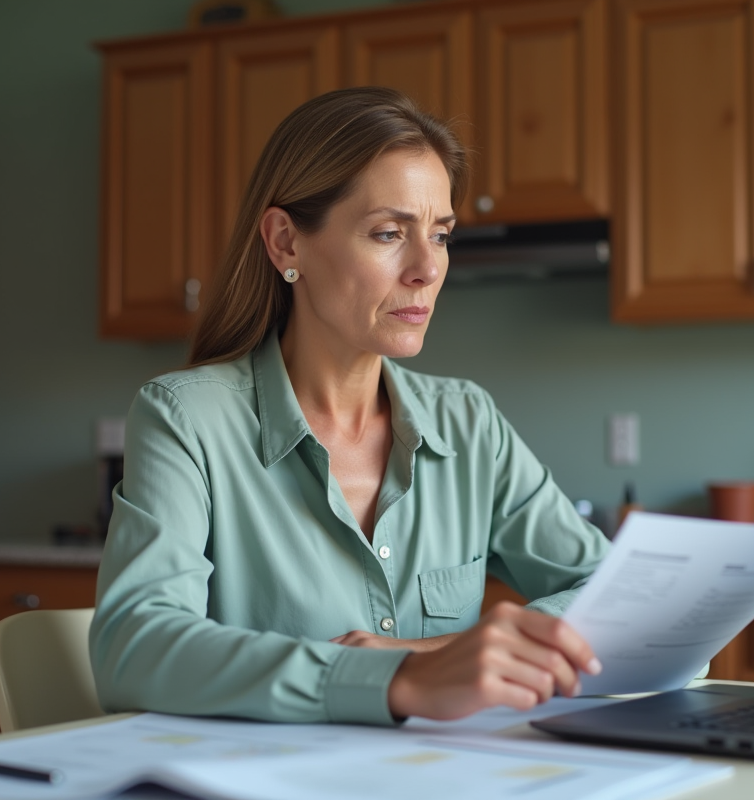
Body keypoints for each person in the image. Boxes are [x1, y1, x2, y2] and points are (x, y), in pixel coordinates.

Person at [89, 86, 610, 726]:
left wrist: (431, 653)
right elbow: (133, 651)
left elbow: (628, 607)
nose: (427, 268)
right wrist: (396, 681)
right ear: (286, 243)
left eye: (441, 235)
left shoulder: (469, 424)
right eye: (389, 233)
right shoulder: (186, 420)